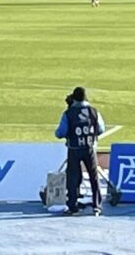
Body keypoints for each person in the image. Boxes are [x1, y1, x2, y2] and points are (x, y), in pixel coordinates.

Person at [54, 87, 105, 216]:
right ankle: (97, 206)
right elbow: (101, 129)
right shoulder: (93, 111)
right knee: (94, 177)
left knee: (72, 178)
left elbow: (61, 133)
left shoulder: (69, 113)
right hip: (89, 148)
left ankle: (73, 206)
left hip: (74, 149)